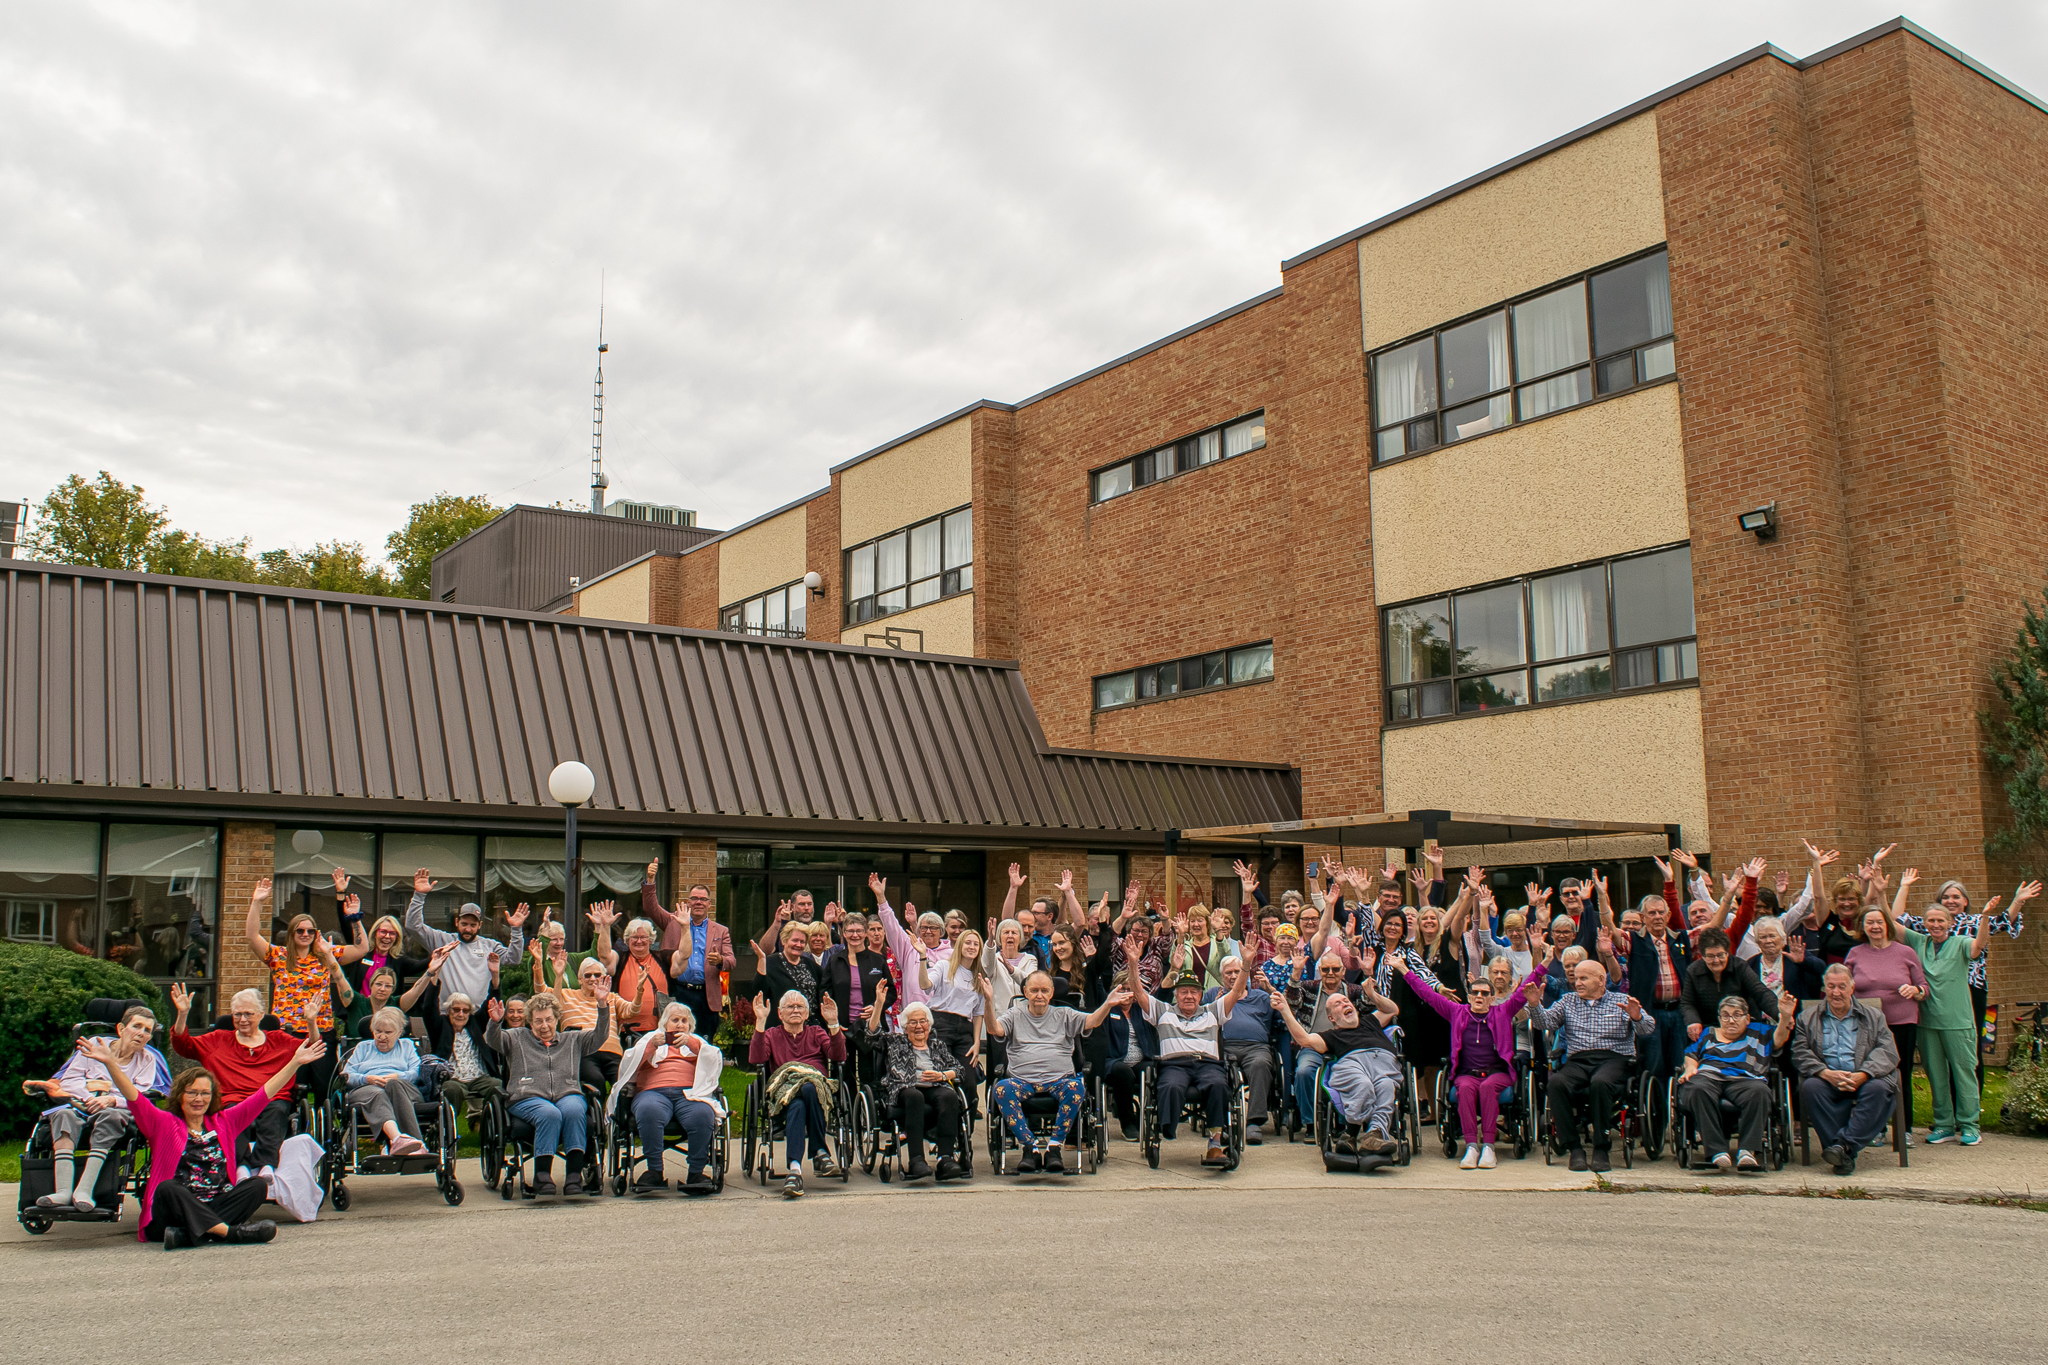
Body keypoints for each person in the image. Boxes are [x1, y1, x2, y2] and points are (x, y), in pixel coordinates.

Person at [83, 1030, 324, 1248]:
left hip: (215, 1205)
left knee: (258, 1185)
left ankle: (189, 1235)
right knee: (167, 1188)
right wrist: (109, 1062)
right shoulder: (163, 1123)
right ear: (180, 1096)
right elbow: (134, 1097)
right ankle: (229, 1233)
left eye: (205, 1093)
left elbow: (264, 1094)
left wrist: (294, 1062)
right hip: (171, 1214)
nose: (199, 1099)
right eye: (192, 1093)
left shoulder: (225, 1121)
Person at [1881, 870, 2039, 1145]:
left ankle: (1969, 1125)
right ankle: (1943, 1124)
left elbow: (1979, 946)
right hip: (1928, 1021)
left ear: (1951, 921)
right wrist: (1885, 890)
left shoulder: (1961, 941)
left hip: (1958, 1019)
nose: (1935, 924)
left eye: (1941, 920)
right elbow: (1892, 923)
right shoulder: (1919, 941)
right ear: (1925, 923)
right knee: (1936, 1074)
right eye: (1931, 920)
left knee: (1964, 1071)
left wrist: (1989, 913)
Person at [1392, 954, 1541, 1170]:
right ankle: (1472, 1146)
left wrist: (1544, 963)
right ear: (1469, 996)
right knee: (1466, 1088)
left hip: (1497, 1074)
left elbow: (1525, 987)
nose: (1479, 996)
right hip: (1467, 1073)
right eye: (1475, 993)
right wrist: (1403, 969)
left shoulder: (1503, 1012)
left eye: (1484, 994)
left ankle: (1488, 1146)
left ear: (1492, 998)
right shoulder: (1457, 1012)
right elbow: (1426, 993)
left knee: (1489, 1087)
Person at [980, 970, 1131, 1175]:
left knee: (1077, 1087)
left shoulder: (1064, 1014)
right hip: (1021, 1080)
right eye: (1034, 990)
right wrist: (988, 1001)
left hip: (1059, 1080)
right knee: (1000, 1089)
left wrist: (1107, 1004)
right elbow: (994, 1029)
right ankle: (1030, 1147)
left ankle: (1054, 1147)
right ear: (1025, 992)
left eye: (1044, 990)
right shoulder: (1015, 1014)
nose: (1039, 995)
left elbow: (1092, 1021)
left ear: (1052, 993)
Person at [26, 1004, 170, 1212]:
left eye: (147, 1030)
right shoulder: (94, 1044)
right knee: (62, 1115)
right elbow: (69, 1080)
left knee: (111, 1117)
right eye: (137, 1026)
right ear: (121, 1028)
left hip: (116, 1111)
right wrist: (90, 1097)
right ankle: (63, 1191)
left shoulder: (148, 1059)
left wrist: (110, 1099)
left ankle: (84, 1190)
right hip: (80, 1105)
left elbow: (139, 1094)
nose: (141, 1033)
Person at [1269, 954, 1409, 1159]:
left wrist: (1373, 994)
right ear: (1332, 1018)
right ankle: (1350, 1133)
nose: (1345, 1003)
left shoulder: (1370, 1021)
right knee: (1362, 1084)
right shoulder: (1332, 1035)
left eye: (1346, 1001)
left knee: (1387, 1086)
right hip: (1353, 1063)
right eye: (1338, 1004)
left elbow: (1392, 1009)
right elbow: (1304, 1039)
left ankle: (1372, 1135)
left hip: (1384, 1063)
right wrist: (1284, 1010)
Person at [168, 982, 313, 1172]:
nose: (242, 1019)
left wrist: (311, 1022)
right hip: (232, 1100)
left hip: (271, 1099)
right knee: (233, 1112)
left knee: (276, 1110)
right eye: (237, 1014)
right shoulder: (217, 1039)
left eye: (248, 1014)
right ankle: (240, 1167)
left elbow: (312, 1047)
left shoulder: (279, 1040)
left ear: (261, 1015)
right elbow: (183, 1045)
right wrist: (183, 1014)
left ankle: (266, 1166)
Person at [1899, 876, 2027, 1087]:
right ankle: (1948, 1107)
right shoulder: (1931, 925)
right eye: (1945, 897)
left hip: (1970, 990)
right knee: (1942, 1050)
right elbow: (1898, 920)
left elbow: (2003, 921)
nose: (1951, 901)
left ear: (1965, 900)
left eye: (1956, 897)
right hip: (1938, 992)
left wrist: (2018, 901)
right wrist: (1903, 887)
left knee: (1970, 1046)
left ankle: (1970, 1106)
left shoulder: (1977, 921)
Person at [484, 986, 612, 1195]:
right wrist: (495, 1022)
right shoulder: (516, 1038)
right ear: (530, 1022)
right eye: (538, 1021)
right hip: (528, 1096)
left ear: (557, 1019)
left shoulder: (572, 1040)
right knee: (549, 1113)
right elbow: (493, 1040)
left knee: (573, 1110)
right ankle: (542, 1176)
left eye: (549, 1019)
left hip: (567, 1093)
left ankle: (573, 1176)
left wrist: (602, 1005)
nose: (544, 1026)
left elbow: (599, 1037)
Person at [1534, 958, 1655, 1172]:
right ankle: (1574, 1148)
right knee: (1556, 1084)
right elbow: (1546, 1023)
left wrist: (1636, 1017)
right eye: (1576, 978)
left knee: (1600, 1083)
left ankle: (1601, 1148)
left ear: (1601, 980)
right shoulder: (1567, 1001)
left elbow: (1647, 1029)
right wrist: (1535, 1006)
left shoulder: (1621, 1001)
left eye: (1583, 978)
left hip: (1615, 1059)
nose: (1577, 982)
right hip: (1579, 1059)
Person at [1128, 960, 1250, 1166]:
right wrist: (1133, 962)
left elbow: (1237, 991)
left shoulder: (1213, 1011)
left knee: (1219, 1085)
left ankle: (1215, 1146)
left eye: (1194, 992)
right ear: (1175, 995)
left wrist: (1246, 964)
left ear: (1200, 995)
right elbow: (1138, 992)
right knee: (1170, 1085)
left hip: (1208, 1064)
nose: (1189, 996)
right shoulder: (1163, 1011)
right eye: (1183, 992)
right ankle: (1166, 1128)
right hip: (1174, 1065)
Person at [242, 876, 350, 1097]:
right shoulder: (279, 956)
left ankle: (324, 1128)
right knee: (290, 1088)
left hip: (321, 1031)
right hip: (287, 1032)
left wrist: (347, 908)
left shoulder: (323, 954)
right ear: (292, 933)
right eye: (300, 931)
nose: (305, 935)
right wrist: (257, 902)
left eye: (310, 931)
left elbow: (361, 948)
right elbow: (251, 936)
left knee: (324, 1088)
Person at [1793, 965, 1902, 1176]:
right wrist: (1825, 1073)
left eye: (1842, 986)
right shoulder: (1807, 1018)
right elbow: (1800, 1053)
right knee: (1811, 1087)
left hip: (1864, 1076)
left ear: (1852, 987)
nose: (1836, 992)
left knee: (1880, 1089)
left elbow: (1888, 1051)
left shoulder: (1874, 1016)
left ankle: (1842, 1147)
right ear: (1824, 988)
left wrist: (1863, 1074)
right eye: (1831, 986)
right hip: (1827, 1077)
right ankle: (1845, 1151)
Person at [405, 868, 527, 1055]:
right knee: (447, 1060)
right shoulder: (442, 941)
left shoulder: (490, 945)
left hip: (480, 1018)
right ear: (457, 922)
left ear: (479, 925)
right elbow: (413, 926)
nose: (468, 928)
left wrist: (516, 931)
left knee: (481, 1062)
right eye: (464, 924)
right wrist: (419, 895)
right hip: (447, 1018)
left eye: (472, 925)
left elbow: (514, 958)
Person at [608, 1001, 723, 1195]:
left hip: (689, 1093)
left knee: (703, 1114)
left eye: (684, 1021)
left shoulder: (697, 1042)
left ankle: (696, 1173)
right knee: (648, 1110)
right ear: (665, 1023)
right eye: (675, 1020)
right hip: (653, 1092)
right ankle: (654, 1171)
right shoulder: (651, 1038)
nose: (679, 1025)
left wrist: (691, 1043)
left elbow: (714, 1060)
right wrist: (652, 1046)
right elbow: (630, 1064)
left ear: (690, 1026)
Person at [1679, 992, 1797, 1173]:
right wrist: (1690, 1068)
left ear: (1747, 1018)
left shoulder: (1760, 1031)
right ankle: (1717, 1151)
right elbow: (1691, 1054)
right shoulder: (1708, 1033)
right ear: (1719, 1018)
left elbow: (1780, 1038)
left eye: (1736, 1015)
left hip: (1746, 1078)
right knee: (1696, 1088)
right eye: (1725, 1016)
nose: (1731, 1020)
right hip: (1709, 1076)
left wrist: (1786, 1015)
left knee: (1760, 1090)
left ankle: (1747, 1151)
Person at [748, 989, 849, 1198]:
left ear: (806, 1013)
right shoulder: (772, 1035)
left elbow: (838, 1056)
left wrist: (833, 1023)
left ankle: (794, 1170)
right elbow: (756, 1058)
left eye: (800, 1007)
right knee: (801, 1094)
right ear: (779, 1013)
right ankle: (820, 1152)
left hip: (817, 1091)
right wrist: (760, 1022)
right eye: (790, 1007)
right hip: (784, 1093)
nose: (795, 1010)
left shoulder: (817, 1033)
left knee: (805, 1095)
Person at [1845, 905, 1930, 1132]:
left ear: (1887, 925)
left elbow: (1924, 988)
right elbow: (1843, 988)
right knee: (1872, 1076)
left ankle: (1905, 1129)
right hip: (1867, 1026)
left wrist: (1915, 991)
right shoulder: (1855, 954)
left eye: (1879, 922)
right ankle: (1877, 1129)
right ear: (1862, 927)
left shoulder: (1905, 952)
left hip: (1902, 1023)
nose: (1875, 927)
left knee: (1901, 1075)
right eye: (1869, 922)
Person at [876, 1003, 973, 1182]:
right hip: (906, 1088)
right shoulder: (896, 1043)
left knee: (950, 1096)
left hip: (935, 1086)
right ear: (905, 1027)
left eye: (923, 1021)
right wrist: (879, 1005)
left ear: (929, 1024)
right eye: (913, 1022)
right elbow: (871, 1034)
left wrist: (942, 1075)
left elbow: (959, 1070)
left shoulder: (938, 1045)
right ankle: (917, 1160)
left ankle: (945, 1159)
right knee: (915, 1096)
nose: (919, 1026)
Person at [641, 866, 736, 1034]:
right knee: (674, 1040)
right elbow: (651, 908)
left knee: (703, 1044)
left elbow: (731, 962)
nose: (698, 902)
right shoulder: (674, 921)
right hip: (677, 991)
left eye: (703, 899)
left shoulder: (721, 931)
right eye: (694, 898)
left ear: (709, 903)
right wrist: (650, 880)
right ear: (688, 902)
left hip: (705, 995)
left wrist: (720, 960)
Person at [533, 941, 628, 1090]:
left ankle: (616, 1112)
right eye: (587, 975)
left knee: (624, 1083)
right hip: (583, 1050)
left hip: (612, 1050)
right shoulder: (567, 994)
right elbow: (541, 991)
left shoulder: (612, 997)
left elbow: (633, 1010)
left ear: (604, 977)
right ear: (579, 979)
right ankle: (598, 1111)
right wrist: (541, 965)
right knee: (595, 1080)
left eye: (597, 975)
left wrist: (640, 990)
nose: (592, 978)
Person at [340, 1007, 429, 1156]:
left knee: (393, 1084)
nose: (382, 1036)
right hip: (368, 1089)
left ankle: (411, 1142)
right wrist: (367, 1078)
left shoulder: (407, 1045)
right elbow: (346, 1075)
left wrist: (398, 1077)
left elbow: (417, 1072)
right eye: (378, 1031)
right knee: (377, 1094)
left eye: (388, 1032)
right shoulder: (363, 1048)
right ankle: (400, 1141)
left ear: (399, 1032)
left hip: (403, 1089)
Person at [1206, 957, 1277, 1143]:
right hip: (1224, 1045)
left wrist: (1271, 990)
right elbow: (1199, 1020)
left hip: (1256, 1047)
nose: (1233, 976)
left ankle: (1254, 1122)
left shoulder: (1261, 997)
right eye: (1228, 972)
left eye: (1237, 972)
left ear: (1246, 974)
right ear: (1221, 976)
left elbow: (1281, 1016)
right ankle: (1222, 1120)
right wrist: (1215, 1005)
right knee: (1217, 1068)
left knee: (1261, 1064)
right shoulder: (1214, 994)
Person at [1679, 927, 1779, 1041]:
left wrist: (1779, 1013)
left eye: (1720, 955)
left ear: (1727, 953)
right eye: (1711, 956)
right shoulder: (1693, 971)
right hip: (1710, 1030)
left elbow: (1761, 993)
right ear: (1703, 955)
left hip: (1742, 1028)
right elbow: (1687, 1002)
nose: (1716, 960)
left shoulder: (1740, 967)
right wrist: (1693, 1021)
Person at [588, 903, 667, 1040]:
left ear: (651, 939)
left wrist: (685, 927)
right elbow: (605, 956)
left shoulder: (662, 958)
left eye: (643, 937)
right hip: (626, 1031)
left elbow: (684, 956)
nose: (639, 941)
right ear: (627, 940)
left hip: (658, 1029)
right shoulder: (621, 958)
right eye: (634, 937)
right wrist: (606, 927)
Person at [437, 993, 502, 1128]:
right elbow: (428, 1007)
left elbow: (489, 1002)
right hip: (454, 1078)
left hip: (478, 1077)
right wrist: (433, 977)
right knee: (451, 1088)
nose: (461, 1014)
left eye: (465, 1011)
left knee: (497, 1085)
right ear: (449, 1011)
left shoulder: (474, 1024)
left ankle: (485, 1121)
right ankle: (448, 1128)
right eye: (456, 1010)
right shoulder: (440, 1025)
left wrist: (495, 977)